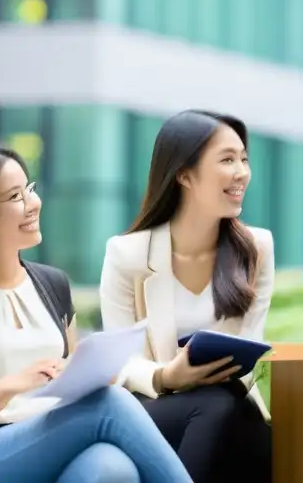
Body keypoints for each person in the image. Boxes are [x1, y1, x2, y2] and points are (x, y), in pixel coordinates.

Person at [0, 143, 191, 483]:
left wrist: (93, 373)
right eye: (14, 197)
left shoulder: (52, 284)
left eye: (30, 189)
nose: (33, 203)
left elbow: (69, 375)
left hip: (53, 433)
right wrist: (8, 387)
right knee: (109, 403)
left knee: (111, 467)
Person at [99, 110, 275, 483]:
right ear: (184, 174)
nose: (242, 171)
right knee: (224, 412)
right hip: (151, 407)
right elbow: (118, 363)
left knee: (240, 419)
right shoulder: (126, 254)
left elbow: (251, 341)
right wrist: (167, 376)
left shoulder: (256, 248)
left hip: (229, 402)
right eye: (227, 159)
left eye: (244, 159)